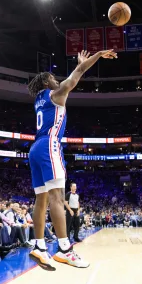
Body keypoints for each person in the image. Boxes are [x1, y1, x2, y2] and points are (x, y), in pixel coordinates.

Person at [27, 49, 117, 270]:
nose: (57, 80)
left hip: (35, 148)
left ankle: (39, 246)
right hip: (49, 145)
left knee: (41, 200)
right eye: (53, 78)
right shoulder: (55, 95)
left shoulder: (39, 100)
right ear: (47, 83)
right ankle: (65, 249)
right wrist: (97, 56)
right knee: (57, 198)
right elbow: (79, 71)